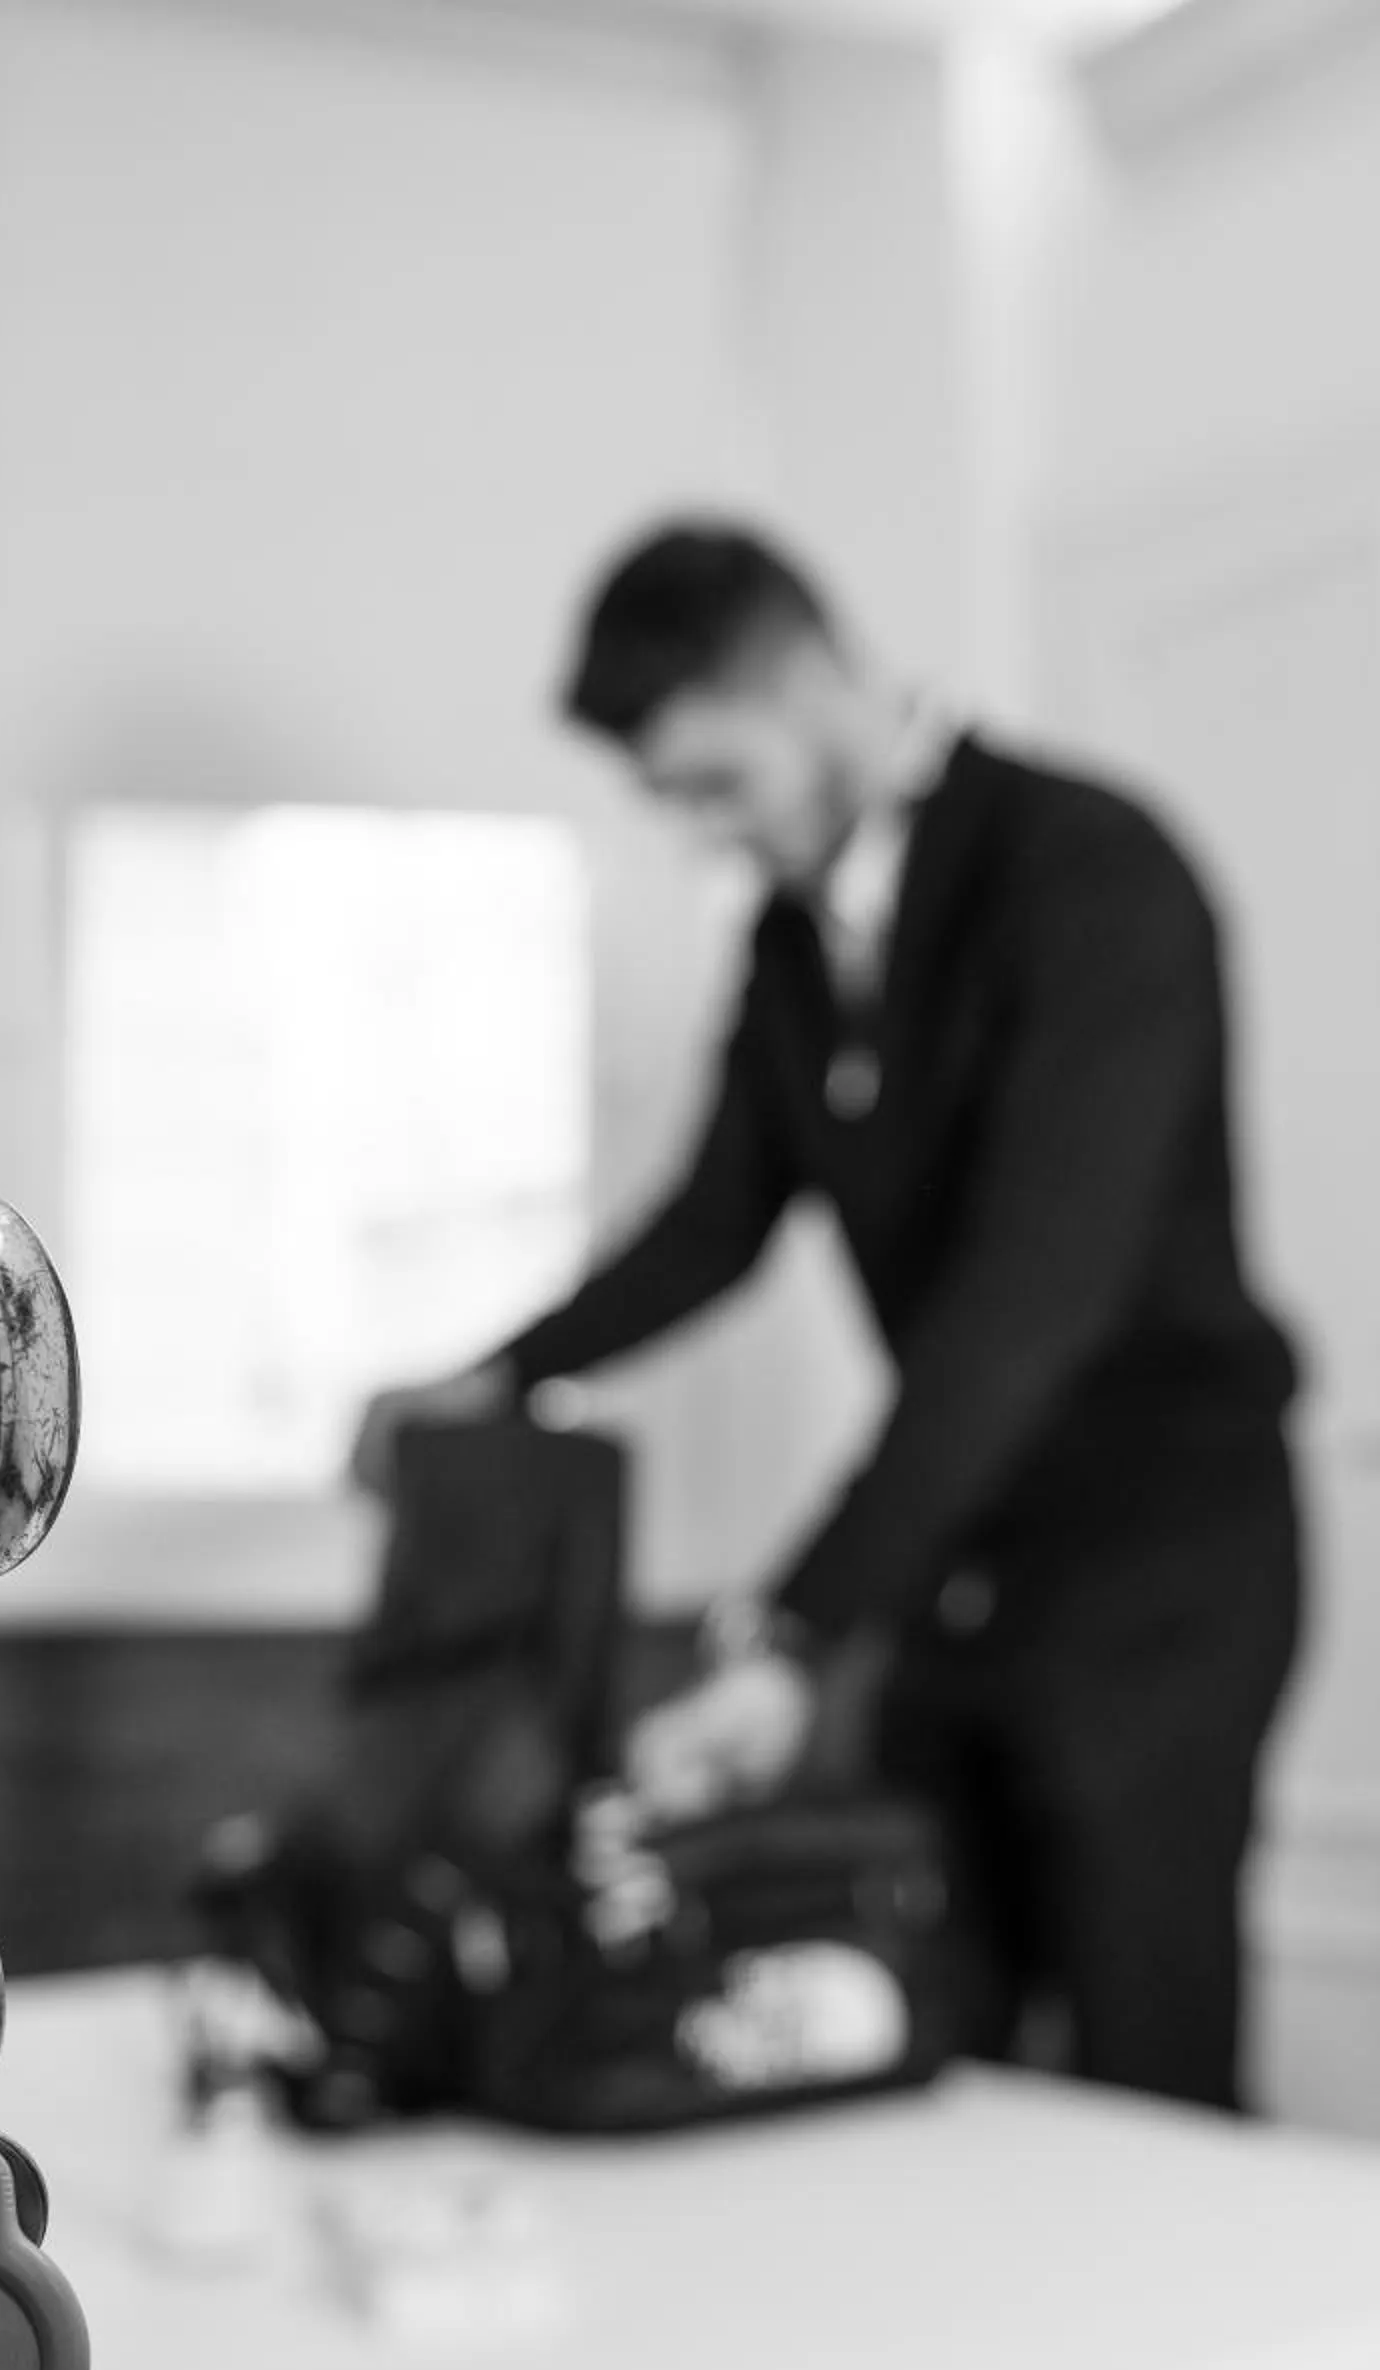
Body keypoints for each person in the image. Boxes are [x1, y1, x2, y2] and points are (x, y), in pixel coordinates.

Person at [353, 522, 1302, 2113]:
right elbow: (711, 1226)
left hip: (1163, 1573)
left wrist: (798, 1629)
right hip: (964, 1565)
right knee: (927, 2045)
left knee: (1144, 2063)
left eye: (716, 783)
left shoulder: (1092, 872)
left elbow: (1026, 1309)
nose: (706, 834)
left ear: (806, 683)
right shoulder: (793, 951)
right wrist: (498, 1377)